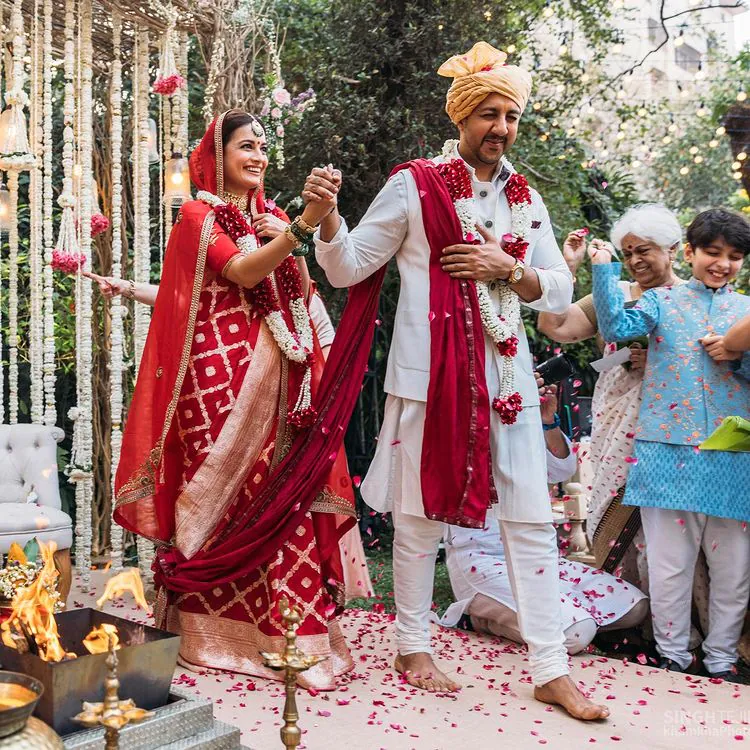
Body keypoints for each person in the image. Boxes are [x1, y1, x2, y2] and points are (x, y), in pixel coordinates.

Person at [311, 41, 608, 720]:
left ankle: (550, 667)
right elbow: (348, 267)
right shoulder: (414, 184)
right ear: (463, 119)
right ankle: (412, 643)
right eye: (489, 115)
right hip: (431, 383)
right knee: (419, 519)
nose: (501, 128)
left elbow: (556, 291)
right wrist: (328, 216)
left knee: (532, 520)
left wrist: (509, 269)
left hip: (507, 381)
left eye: (510, 116)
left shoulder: (525, 197)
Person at [113, 110, 358, 690]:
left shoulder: (272, 218)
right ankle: (206, 635)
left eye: (264, 146)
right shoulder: (199, 215)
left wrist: (314, 222)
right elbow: (244, 274)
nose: (258, 155)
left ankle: (292, 634)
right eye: (246, 145)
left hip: (282, 381)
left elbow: (307, 288)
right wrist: (301, 227)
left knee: (278, 497)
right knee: (220, 495)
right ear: (216, 154)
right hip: (217, 383)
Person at [591, 207, 750, 681]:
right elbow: (618, 328)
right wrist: (603, 270)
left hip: (732, 452)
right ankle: (673, 657)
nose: (722, 264)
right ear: (690, 252)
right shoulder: (662, 301)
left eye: (734, 256)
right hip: (664, 451)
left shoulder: (746, 311)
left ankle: (721, 660)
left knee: (733, 570)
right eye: (712, 253)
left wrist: (737, 356)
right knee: (668, 566)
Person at [441, 377, 648, 653]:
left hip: (536, 556)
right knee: (576, 633)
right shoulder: (459, 428)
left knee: (635, 607)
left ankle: (561, 614)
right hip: (481, 559)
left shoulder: (524, 426)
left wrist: (547, 420)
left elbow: (562, 469)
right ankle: (480, 618)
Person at [539, 205, 684, 587]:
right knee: (610, 510)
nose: (635, 260)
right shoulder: (613, 293)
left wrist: (660, 358)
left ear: (672, 249)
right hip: (614, 425)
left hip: (669, 429)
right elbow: (554, 326)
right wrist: (567, 267)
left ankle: (669, 625)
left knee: (667, 528)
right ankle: (623, 609)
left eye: (645, 250)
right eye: (629, 252)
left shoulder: (692, 299)